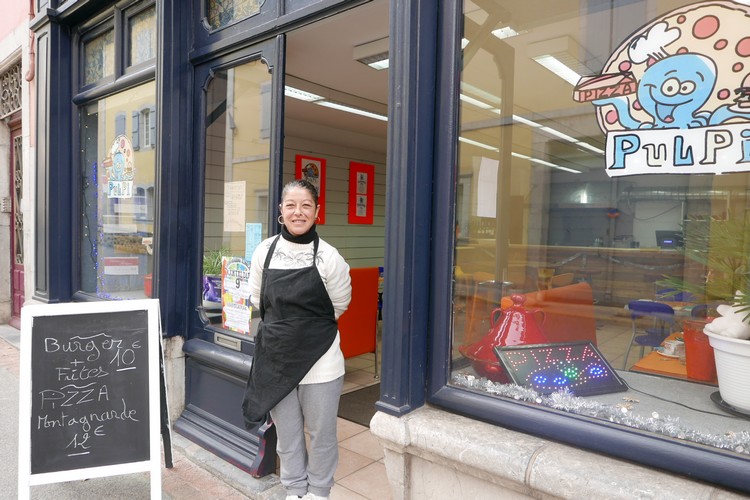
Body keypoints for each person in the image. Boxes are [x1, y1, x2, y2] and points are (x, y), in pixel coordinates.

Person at [242, 179, 352, 500]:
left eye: (306, 205)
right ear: (281, 210)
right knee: (288, 436)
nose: (298, 212)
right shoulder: (265, 251)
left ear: (317, 212)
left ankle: (318, 492)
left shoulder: (329, 257)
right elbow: (256, 297)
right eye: (291, 205)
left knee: (322, 435)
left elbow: (340, 304)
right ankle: (294, 490)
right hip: (276, 361)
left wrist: (304, 331)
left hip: (321, 362)